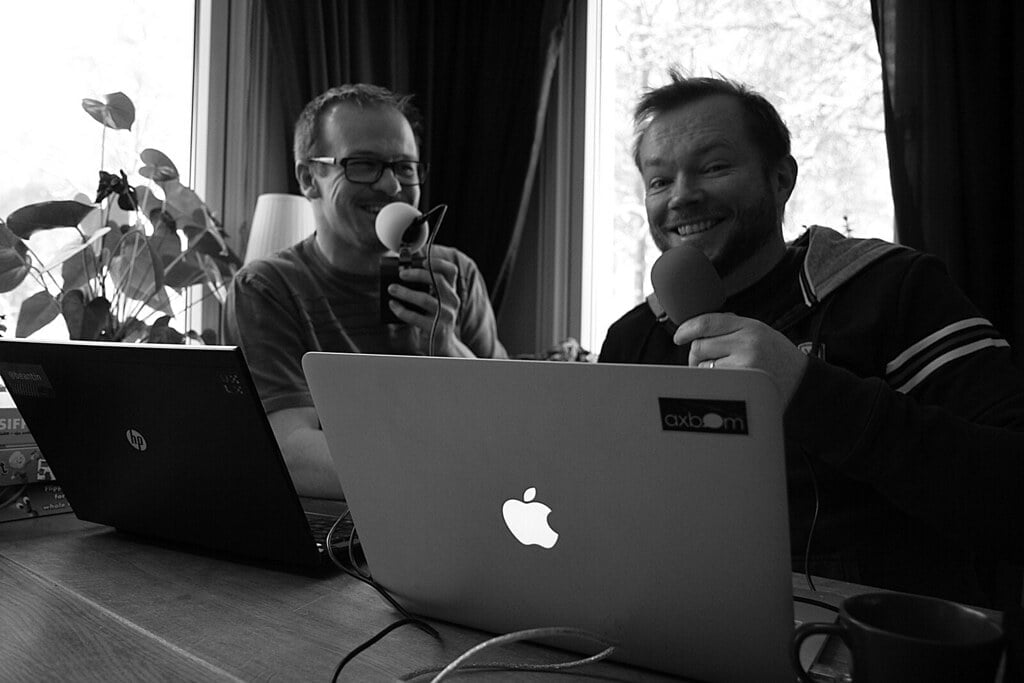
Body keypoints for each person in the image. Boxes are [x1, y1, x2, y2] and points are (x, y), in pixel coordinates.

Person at [599, 71, 1024, 608]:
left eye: (714, 166)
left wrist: (807, 390)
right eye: (659, 181)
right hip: (668, 620)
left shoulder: (893, 289)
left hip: (860, 639)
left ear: (781, 179)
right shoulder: (632, 337)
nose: (682, 196)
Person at [225, 84, 506, 500]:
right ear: (308, 178)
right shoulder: (267, 288)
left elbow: (511, 426)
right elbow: (291, 453)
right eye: (364, 164)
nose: (392, 185)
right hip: (344, 531)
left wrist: (447, 347)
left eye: (405, 167)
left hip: (467, 519)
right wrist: (444, 476)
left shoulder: (455, 275)